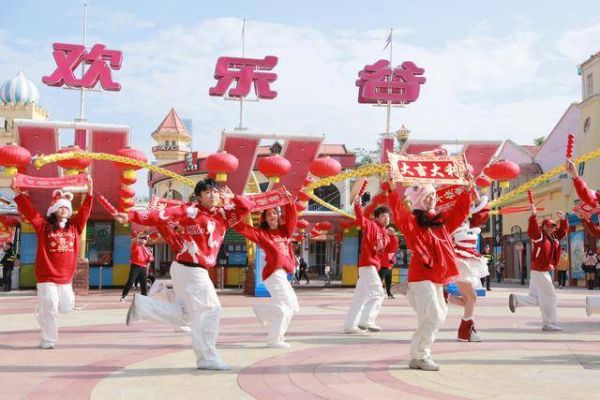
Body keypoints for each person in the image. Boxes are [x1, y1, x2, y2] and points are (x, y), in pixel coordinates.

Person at [114, 178, 251, 370]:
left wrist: (233, 197)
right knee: (210, 310)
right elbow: (160, 215)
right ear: (199, 197)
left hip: (188, 269)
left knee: (187, 315)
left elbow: (247, 207)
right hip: (191, 268)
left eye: (215, 191)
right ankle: (207, 358)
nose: (213, 195)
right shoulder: (190, 211)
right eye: (207, 192)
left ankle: (143, 306)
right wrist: (130, 216)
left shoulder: (224, 214)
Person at [389, 179, 472, 371]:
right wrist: (392, 191)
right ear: (419, 199)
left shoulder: (442, 222)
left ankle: (418, 355)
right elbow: (399, 214)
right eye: (427, 196)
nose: (432, 199)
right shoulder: (412, 221)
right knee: (432, 315)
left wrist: (467, 192)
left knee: (438, 315)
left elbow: (460, 213)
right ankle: (421, 356)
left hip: (437, 276)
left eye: (434, 195)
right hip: (421, 275)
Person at [13, 178, 93, 349]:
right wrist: (18, 194)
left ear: (69, 211)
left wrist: (90, 193)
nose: (64, 209)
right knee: (50, 306)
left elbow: (85, 212)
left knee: (65, 307)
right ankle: (49, 339)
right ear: (55, 211)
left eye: (66, 207)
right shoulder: (43, 226)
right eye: (60, 207)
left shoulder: (75, 227)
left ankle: (43, 315)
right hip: (46, 276)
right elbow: (30, 212)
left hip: (65, 278)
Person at [233, 196, 299, 348]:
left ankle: (262, 311)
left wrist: (289, 201)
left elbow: (292, 217)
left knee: (293, 307)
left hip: (283, 275)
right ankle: (274, 340)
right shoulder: (263, 235)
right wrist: (233, 219)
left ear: (278, 215)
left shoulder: (285, 232)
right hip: (273, 274)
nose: (272, 216)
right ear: (265, 219)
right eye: (268, 214)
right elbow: (246, 230)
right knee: (285, 308)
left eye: (274, 213)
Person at [508, 200, 568, 331]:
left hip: (540, 271)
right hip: (540, 270)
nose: (551, 228)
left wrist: (563, 219)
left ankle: (517, 300)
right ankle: (549, 323)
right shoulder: (540, 236)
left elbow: (563, 231)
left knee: (536, 298)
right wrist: (533, 216)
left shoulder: (554, 237)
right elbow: (532, 230)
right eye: (549, 226)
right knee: (550, 296)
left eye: (553, 226)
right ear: (544, 227)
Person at [343, 198, 396, 335]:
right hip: (368, 264)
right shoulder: (371, 225)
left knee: (359, 298)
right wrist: (357, 205)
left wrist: (393, 236)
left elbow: (391, 250)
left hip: (371, 267)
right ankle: (367, 320)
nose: (386, 218)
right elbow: (361, 218)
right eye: (383, 216)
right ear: (376, 218)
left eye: (388, 216)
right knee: (378, 293)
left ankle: (350, 326)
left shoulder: (386, 235)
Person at [120, 235, 154, 302]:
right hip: (135, 266)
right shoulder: (136, 246)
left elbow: (152, 257)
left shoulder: (147, 249)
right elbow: (135, 241)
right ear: (140, 239)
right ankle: (124, 295)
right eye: (143, 238)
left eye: (145, 239)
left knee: (143, 283)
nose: (144, 240)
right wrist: (138, 236)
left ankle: (144, 297)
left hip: (143, 267)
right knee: (131, 281)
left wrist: (151, 258)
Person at [379, 231, 399, 299]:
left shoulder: (392, 240)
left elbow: (394, 246)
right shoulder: (386, 240)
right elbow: (393, 246)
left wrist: (393, 236)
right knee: (379, 281)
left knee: (388, 282)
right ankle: (378, 294)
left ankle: (389, 294)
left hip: (388, 265)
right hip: (383, 265)